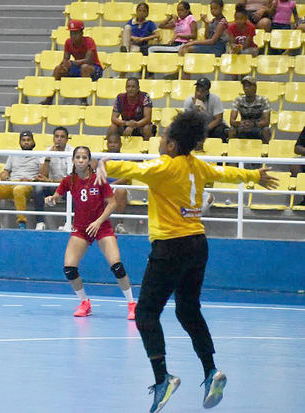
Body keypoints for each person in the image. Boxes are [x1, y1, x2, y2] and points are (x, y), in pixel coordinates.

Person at [94, 110, 278, 412]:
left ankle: (162, 377)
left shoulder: (165, 166)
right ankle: (210, 370)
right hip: (197, 245)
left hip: (169, 247)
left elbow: (131, 166)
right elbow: (226, 173)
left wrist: (104, 162)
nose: (160, 140)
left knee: (146, 314)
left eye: (163, 136)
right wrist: (254, 175)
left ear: (171, 144)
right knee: (188, 310)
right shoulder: (198, 166)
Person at [44, 146, 137, 320]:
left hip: (101, 226)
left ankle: (132, 304)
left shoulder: (99, 179)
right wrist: (51, 200)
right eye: (77, 157)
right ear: (73, 160)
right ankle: (85, 303)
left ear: (88, 161)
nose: (80, 160)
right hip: (81, 228)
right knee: (69, 269)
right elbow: (56, 198)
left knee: (116, 265)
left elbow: (112, 204)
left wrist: (98, 222)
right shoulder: (69, 180)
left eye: (84, 157)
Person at [0, 131, 41, 229]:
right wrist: (4, 175)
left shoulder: (39, 155)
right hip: (12, 182)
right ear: (20, 143)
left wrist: (31, 180)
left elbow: (42, 175)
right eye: (23, 140)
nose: (26, 142)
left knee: (18, 189)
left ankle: (22, 223)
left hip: (28, 185)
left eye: (28, 140)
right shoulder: (14, 154)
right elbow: (5, 171)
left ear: (33, 142)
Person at [41, 19, 103, 106]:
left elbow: (88, 60)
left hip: (94, 69)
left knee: (84, 67)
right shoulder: (68, 42)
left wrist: (72, 63)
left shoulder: (89, 41)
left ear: (81, 33)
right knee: (58, 69)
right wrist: (64, 66)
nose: (73, 36)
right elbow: (65, 59)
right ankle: (49, 99)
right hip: (78, 68)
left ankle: (84, 100)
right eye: (71, 33)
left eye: (75, 33)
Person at [33, 127, 74, 230]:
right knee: (37, 188)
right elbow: (42, 175)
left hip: (67, 187)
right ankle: (40, 223)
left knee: (74, 192)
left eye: (62, 137)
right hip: (51, 186)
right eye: (57, 136)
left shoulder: (73, 152)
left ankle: (70, 223)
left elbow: (72, 179)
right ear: (53, 138)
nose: (59, 139)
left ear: (67, 139)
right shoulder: (48, 151)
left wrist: (49, 181)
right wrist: (48, 157)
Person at [183, 77, 228, 142]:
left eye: (202, 91)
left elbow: (218, 119)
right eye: (197, 90)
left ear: (207, 92)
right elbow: (187, 120)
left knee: (220, 131)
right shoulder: (189, 101)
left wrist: (205, 129)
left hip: (212, 126)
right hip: (197, 127)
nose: (198, 93)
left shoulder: (215, 99)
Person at [228, 76, 271, 143]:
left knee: (266, 130)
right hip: (243, 126)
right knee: (232, 130)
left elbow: (266, 122)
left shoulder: (263, 100)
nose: (246, 88)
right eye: (244, 86)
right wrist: (240, 123)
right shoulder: (238, 100)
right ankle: (230, 151)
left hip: (257, 127)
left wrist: (253, 124)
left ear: (255, 88)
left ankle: (265, 151)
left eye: (249, 86)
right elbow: (232, 121)